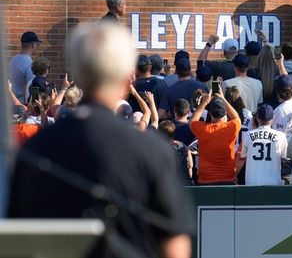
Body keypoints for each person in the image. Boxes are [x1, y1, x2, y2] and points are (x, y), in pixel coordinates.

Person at [8, 22, 194, 258]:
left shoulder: (37, 148)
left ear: (79, 75)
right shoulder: (151, 150)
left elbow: (18, 239)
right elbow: (175, 246)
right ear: (128, 76)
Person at [190, 91, 242, 185]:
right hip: (228, 180)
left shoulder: (203, 129)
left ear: (209, 113)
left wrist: (204, 102)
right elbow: (236, 117)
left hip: (206, 180)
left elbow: (192, 121)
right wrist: (223, 99)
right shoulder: (231, 127)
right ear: (225, 113)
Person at [239, 104, 288, 186]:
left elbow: (243, 157)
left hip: (252, 183)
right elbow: (284, 159)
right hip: (273, 183)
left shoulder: (247, 135)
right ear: (272, 119)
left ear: (257, 118)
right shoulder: (281, 136)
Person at [158, 120, 194, 186]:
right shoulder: (181, 145)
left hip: (171, 186)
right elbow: (190, 166)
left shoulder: (159, 148)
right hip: (185, 183)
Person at [9, 31, 40, 102]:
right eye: (37, 45)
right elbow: (32, 87)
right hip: (22, 104)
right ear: (33, 45)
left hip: (10, 102)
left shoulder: (13, 60)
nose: (37, 47)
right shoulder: (30, 64)